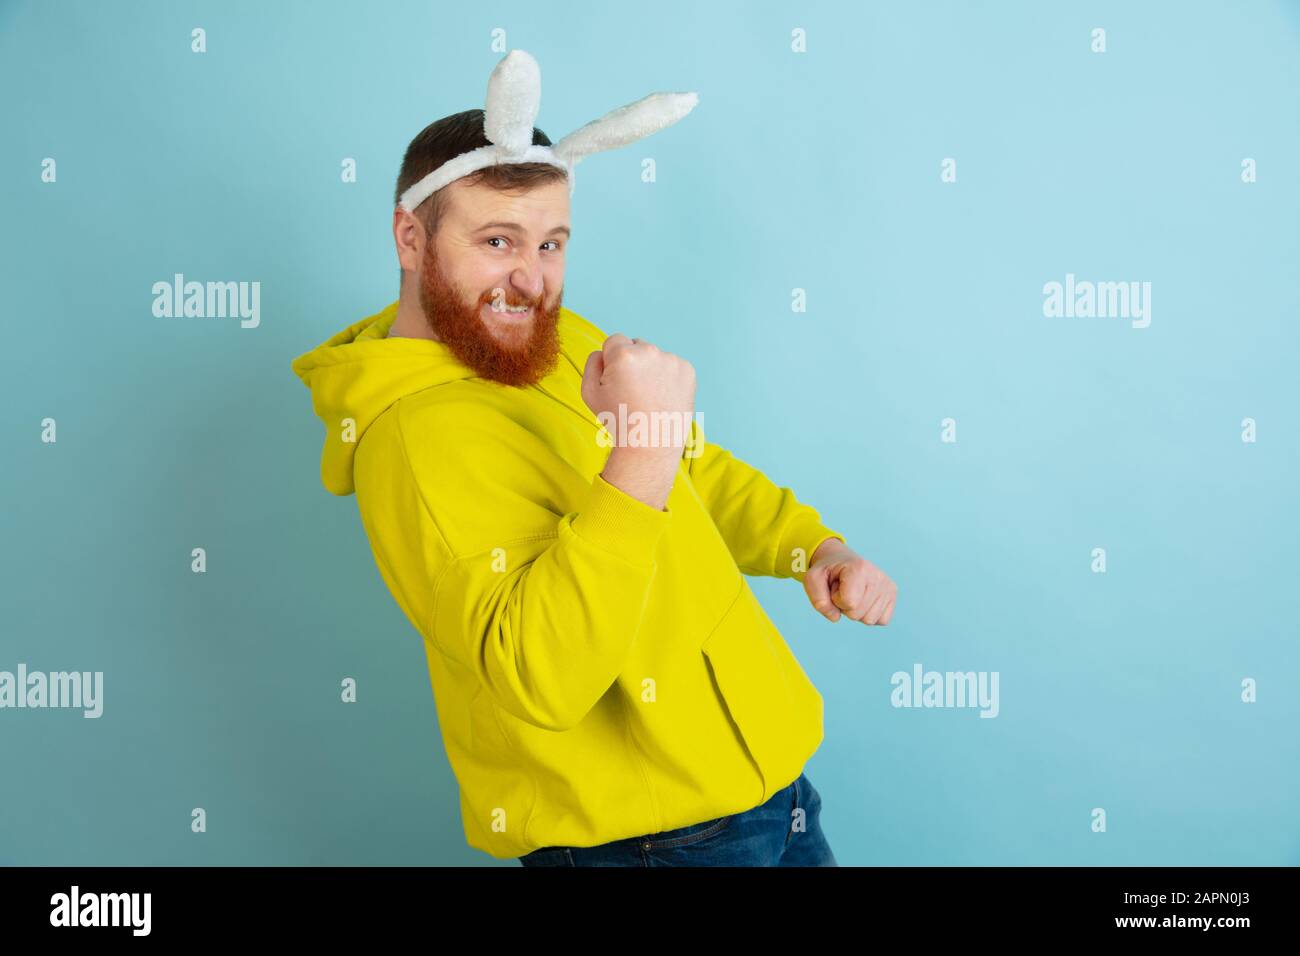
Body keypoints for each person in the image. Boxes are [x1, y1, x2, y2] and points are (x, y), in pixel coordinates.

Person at [291, 51, 897, 866]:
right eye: (498, 240)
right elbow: (541, 673)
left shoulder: (548, 340)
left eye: (551, 243)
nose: (530, 279)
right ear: (411, 236)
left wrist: (810, 547)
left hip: (770, 790)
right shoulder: (412, 439)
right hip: (647, 845)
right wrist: (642, 450)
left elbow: (691, 471)